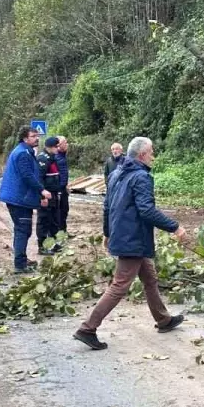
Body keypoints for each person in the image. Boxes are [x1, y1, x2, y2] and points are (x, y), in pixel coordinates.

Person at [75, 136, 185, 350]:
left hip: (126, 235)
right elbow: (146, 210)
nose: (154, 156)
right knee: (119, 285)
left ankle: (163, 319)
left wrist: (107, 232)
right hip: (132, 238)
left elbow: (107, 207)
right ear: (143, 155)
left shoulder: (116, 174)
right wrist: (175, 227)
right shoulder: (141, 177)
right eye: (152, 152)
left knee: (149, 278)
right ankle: (87, 328)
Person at [0, 125, 51, 272]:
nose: (37, 138)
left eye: (37, 136)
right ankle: (19, 264)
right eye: (33, 136)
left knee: (22, 229)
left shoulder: (24, 151)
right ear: (25, 138)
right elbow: (27, 176)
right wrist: (42, 191)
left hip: (19, 198)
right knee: (23, 230)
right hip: (18, 199)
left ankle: (21, 258)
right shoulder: (23, 154)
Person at [36, 137, 64, 254]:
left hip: (53, 194)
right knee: (43, 220)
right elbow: (39, 179)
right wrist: (42, 196)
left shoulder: (53, 158)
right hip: (46, 194)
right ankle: (42, 246)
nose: (58, 148)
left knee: (54, 220)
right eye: (56, 146)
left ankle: (53, 244)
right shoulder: (43, 159)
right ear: (50, 147)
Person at [55, 136, 71, 236]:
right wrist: (60, 187)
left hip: (63, 187)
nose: (67, 144)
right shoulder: (56, 157)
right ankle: (59, 233)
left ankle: (63, 232)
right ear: (58, 145)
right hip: (58, 189)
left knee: (64, 210)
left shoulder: (62, 155)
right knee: (59, 212)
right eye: (65, 142)